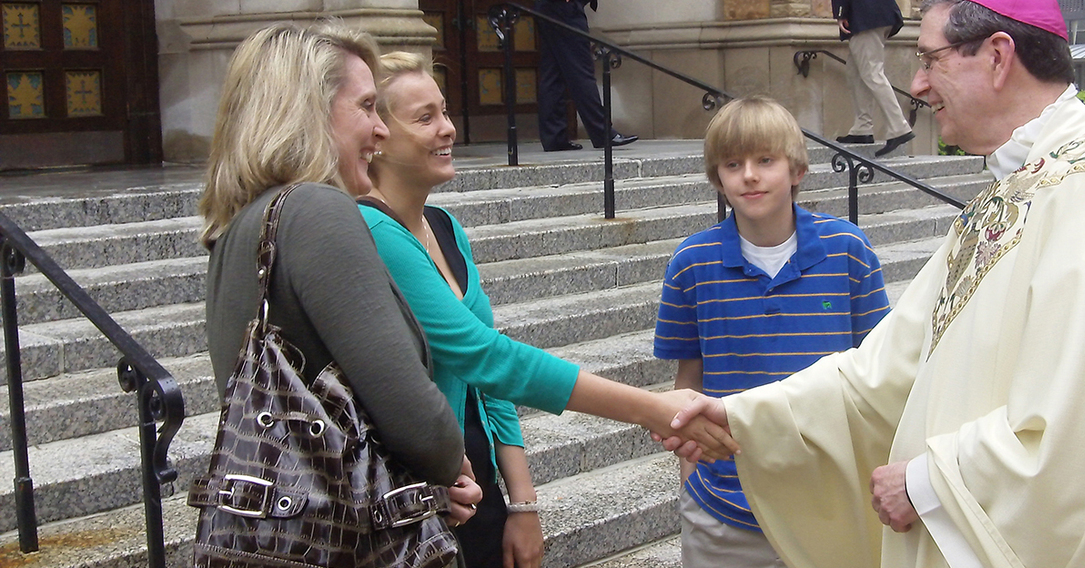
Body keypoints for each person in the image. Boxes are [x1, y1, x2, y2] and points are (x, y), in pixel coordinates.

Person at [661, 0, 1085, 566]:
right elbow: (886, 368)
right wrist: (740, 415)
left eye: (929, 60)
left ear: (999, 55)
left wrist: (929, 482)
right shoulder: (1012, 192)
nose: (919, 84)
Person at [358, 51, 737, 568]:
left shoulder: (444, 225)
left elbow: (488, 387)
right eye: (425, 118)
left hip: (477, 485)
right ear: (377, 135)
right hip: (422, 497)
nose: (448, 129)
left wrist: (522, 502)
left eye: (445, 111)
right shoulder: (374, 231)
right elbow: (486, 356)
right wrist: (655, 408)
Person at [198, 22, 482, 540]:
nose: (380, 129)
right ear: (308, 111)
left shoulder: (240, 226)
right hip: (351, 536)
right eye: (367, 106)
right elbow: (415, 414)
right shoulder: (317, 209)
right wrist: (448, 461)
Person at [654, 95, 890, 568]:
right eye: (733, 163)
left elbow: (879, 370)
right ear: (717, 178)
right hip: (725, 509)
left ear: (797, 169)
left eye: (765, 160)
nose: (749, 175)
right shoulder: (691, 263)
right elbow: (689, 381)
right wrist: (690, 479)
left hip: (830, 500)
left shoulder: (847, 250)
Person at [534, 0, 637, 151]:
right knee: (581, 71)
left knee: (553, 73)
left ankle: (554, 137)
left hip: (551, 7)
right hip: (564, 8)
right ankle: (602, 132)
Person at [832, 0, 916, 157]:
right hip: (874, 13)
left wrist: (841, 11)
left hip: (865, 14)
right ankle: (862, 128)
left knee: (871, 73)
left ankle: (899, 127)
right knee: (856, 72)